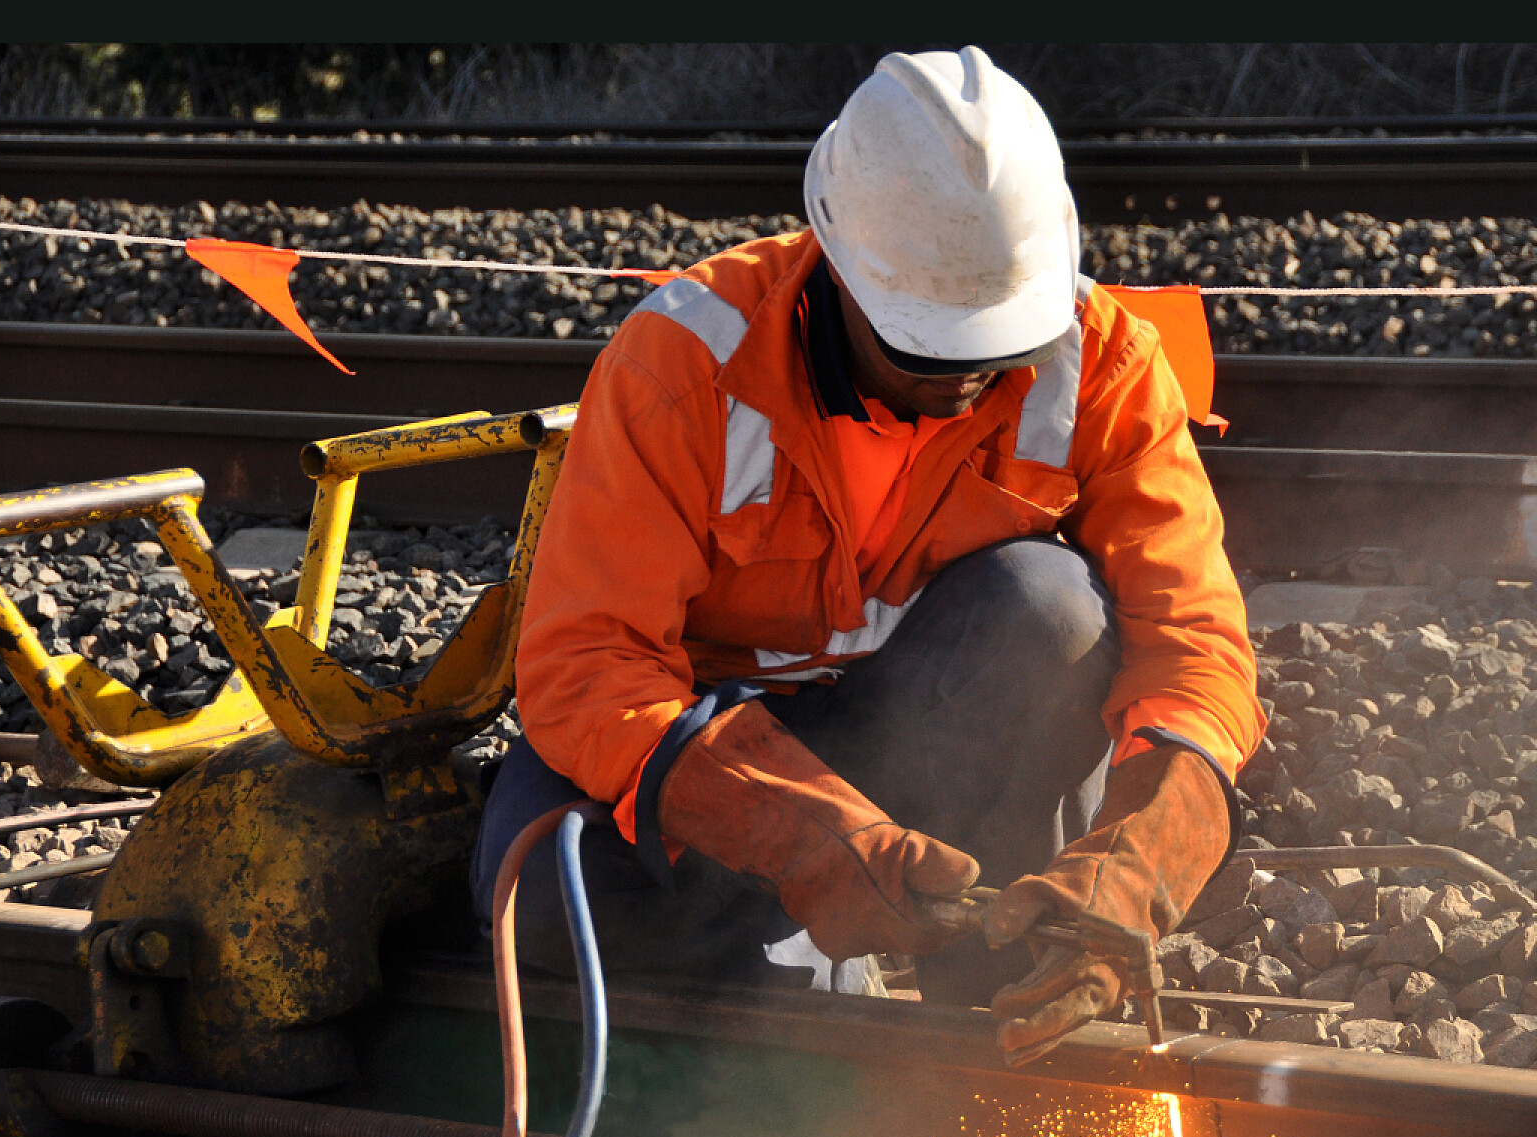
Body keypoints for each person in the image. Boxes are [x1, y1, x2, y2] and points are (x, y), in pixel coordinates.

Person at [472, 46, 1263, 1064]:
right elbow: (587, 666)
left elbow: (1192, 635)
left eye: (998, 352)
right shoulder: (685, 364)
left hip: (927, 730)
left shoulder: (1103, 364)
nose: (969, 383)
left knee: (1052, 609)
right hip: (717, 745)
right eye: (930, 352)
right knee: (540, 892)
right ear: (838, 269)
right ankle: (751, 1037)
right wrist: (802, 838)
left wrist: (1151, 852)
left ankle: (992, 989)